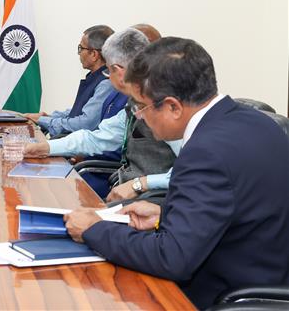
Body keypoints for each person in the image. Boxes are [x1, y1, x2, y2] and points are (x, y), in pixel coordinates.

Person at [64, 37, 289, 308]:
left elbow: (173, 259)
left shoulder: (203, 152)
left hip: (220, 295)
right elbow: (237, 209)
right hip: (266, 275)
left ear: (173, 106)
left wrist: (95, 229)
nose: (140, 116)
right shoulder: (258, 122)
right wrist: (163, 216)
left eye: (141, 106)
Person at [24, 28, 180, 198]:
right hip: (129, 189)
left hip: (155, 200)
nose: (107, 77)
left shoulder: (165, 104)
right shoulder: (133, 102)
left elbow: (190, 172)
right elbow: (97, 138)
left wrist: (140, 184)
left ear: (118, 71)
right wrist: (46, 148)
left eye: (107, 71)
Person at [25, 25, 117, 136]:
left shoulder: (106, 83)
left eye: (81, 48)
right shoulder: (96, 77)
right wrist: (49, 117)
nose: (79, 53)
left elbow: (85, 123)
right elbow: (78, 112)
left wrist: (44, 121)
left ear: (93, 54)